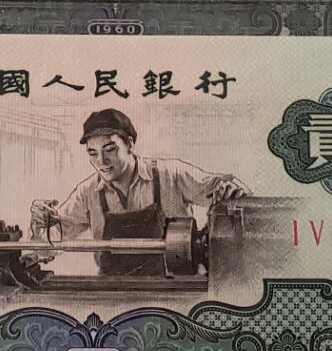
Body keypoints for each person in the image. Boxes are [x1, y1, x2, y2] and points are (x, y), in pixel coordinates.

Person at [29, 108, 248, 276]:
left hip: (175, 290)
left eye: (110, 150)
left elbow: (228, 191)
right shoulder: (87, 193)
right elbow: (48, 247)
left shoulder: (170, 175)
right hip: (113, 292)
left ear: (130, 144)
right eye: (93, 153)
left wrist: (232, 193)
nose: (101, 161)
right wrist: (42, 223)